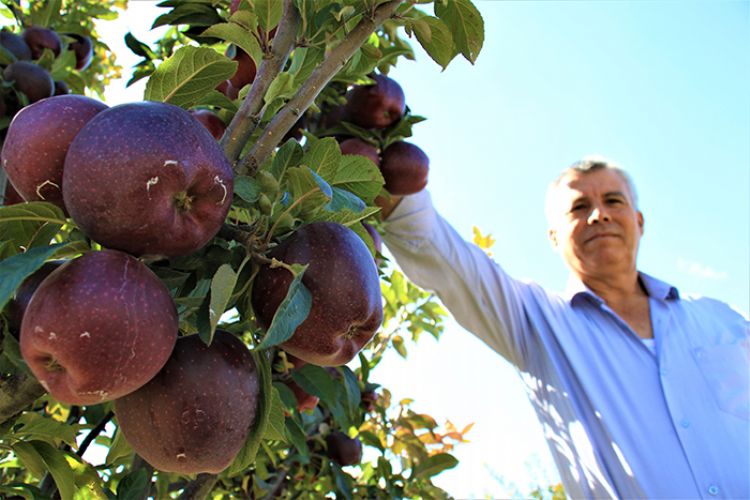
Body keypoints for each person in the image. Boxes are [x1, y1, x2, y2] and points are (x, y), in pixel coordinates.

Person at [376, 157, 749, 499]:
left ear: (639, 221)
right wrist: (373, 154)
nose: (598, 215)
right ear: (554, 237)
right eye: (579, 207)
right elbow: (437, 250)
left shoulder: (723, 321)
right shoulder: (538, 321)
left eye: (613, 201)